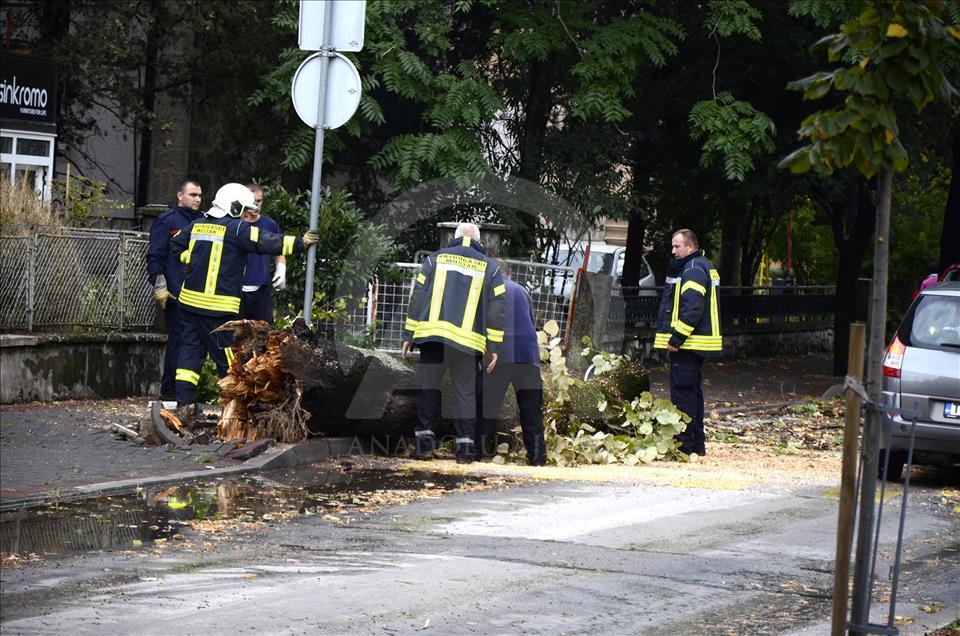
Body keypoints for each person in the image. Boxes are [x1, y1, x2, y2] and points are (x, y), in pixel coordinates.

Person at [168, 182, 319, 425]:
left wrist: (193, 259)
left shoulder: (197, 225)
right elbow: (267, 241)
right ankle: (235, 411)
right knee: (230, 361)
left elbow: (175, 247)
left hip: (189, 306)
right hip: (218, 308)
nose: (244, 214)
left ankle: (185, 407)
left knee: (189, 355)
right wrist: (300, 243)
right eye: (242, 209)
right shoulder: (236, 229)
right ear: (234, 205)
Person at [400, 223, 507, 463]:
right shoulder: (490, 268)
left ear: (454, 238)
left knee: (429, 391)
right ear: (480, 241)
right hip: (467, 345)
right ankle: (465, 452)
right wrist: (495, 347)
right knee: (465, 395)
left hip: (432, 338)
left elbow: (417, 296)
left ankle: (425, 447)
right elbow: (497, 309)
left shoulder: (433, 260)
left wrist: (409, 335)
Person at [653, 229, 723, 456]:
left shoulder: (692, 270)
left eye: (677, 246)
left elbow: (692, 308)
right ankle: (696, 445)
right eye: (672, 246)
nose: (673, 251)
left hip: (688, 343)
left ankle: (685, 445)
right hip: (696, 344)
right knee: (693, 393)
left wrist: (676, 338)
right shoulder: (701, 265)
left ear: (691, 247)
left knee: (683, 395)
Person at [478, 259, 546, 465]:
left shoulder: (488, 290)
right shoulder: (522, 291)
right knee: (531, 409)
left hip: (500, 354)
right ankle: (537, 457)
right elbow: (531, 322)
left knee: (487, 406)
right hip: (528, 356)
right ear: (509, 274)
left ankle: (476, 452)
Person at [147, 179, 203, 402]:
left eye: (199, 195)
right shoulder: (167, 221)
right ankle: (170, 391)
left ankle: (185, 393)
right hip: (175, 294)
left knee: (194, 344)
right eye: (193, 195)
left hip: (198, 294)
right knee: (178, 341)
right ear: (180, 196)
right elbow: (155, 255)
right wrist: (159, 283)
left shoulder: (203, 221)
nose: (197, 199)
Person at [239, 184, 286, 324]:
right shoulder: (235, 224)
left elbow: (279, 249)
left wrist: (281, 269)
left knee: (265, 334)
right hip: (237, 289)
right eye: (253, 201)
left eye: (259, 201)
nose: (256, 204)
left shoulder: (269, 224)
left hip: (261, 288)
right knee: (235, 335)